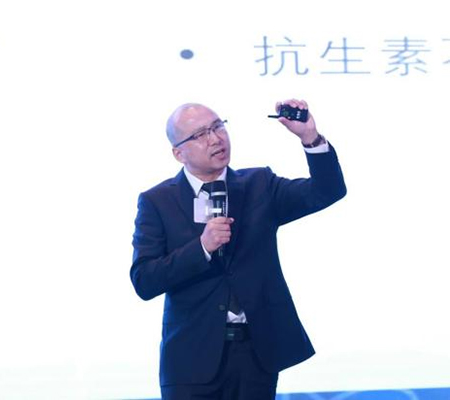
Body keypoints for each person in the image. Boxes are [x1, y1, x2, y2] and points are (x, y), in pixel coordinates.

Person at [130, 99, 346, 400]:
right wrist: (202, 247)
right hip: (191, 358)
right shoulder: (157, 201)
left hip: (255, 355)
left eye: (218, 127)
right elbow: (145, 280)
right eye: (200, 134)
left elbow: (326, 191)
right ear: (179, 153)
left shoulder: (259, 185)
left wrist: (310, 137)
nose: (215, 139)